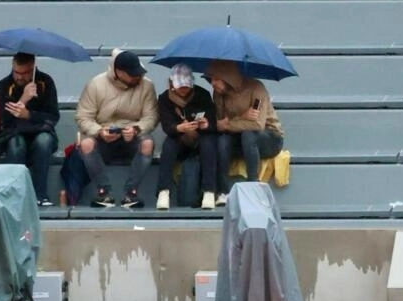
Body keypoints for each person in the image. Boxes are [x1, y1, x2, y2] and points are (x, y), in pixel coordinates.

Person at [75, 49, 158, 208]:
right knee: (86, 144)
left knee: (147, 144)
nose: (137, 77)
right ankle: (103, 192)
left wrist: (136, 129)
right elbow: (83, 117)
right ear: (118, 72)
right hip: (104, 136)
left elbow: (151, 117)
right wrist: (99, 131)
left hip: (132, 137)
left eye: (139, 73)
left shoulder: (147, 85)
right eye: (132, 74)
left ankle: (131, 192)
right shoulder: (96, 84)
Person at [205, 59, 284, 206]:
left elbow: (257, 124)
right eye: (211, 80)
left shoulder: (256, 88)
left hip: (270, 137)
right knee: (222, 140)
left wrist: (229, 124)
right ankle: (223, 192)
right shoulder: (218, 94)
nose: (212, 83)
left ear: (228, 77)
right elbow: (220, 125)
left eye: (216, 79)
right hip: (239, 138)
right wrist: (241, 117)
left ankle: (253, 187)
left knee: (249, 135)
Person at [0, 52, 60, 206]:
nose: (19, 77)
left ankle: (40, 194)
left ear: (33, 69)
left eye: (24, 73)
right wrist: (23, 99)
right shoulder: (4, 85)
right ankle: (16, 195)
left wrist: (29, 115)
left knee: (43, 142)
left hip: (41, 132)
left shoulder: (46, 82)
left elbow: (53, 117)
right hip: (15, 133)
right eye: (16, 72)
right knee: (16, 145)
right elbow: (6, 121)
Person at [155, 64, 217, 210]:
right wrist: (179, 128)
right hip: (179, 138)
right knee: (169, 145)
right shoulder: (164, 98)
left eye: (186, 86)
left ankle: (209, 191)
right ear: (172, 84)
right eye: (180, 86)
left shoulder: (203, 95)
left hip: (201, 137)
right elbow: (167, 126)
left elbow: (213, 122)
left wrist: (206, 124)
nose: (184, 90)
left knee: (209, 143)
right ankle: (163, 191)